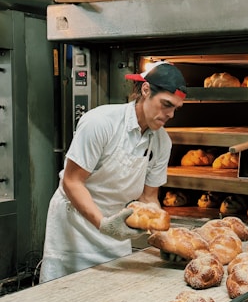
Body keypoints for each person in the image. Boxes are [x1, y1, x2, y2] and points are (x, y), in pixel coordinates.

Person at [39, 61, 187, 282]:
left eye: (175, 108)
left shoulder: (162, 142)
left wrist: (163, 240)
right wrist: (102, 224)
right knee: (65, 297)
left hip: (115, 228)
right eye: (166, 104)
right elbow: (72, 182)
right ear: (145, 90)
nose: (171, 114)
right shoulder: (101, 123)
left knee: (113, 297)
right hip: (75, 228)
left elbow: (149, 198)